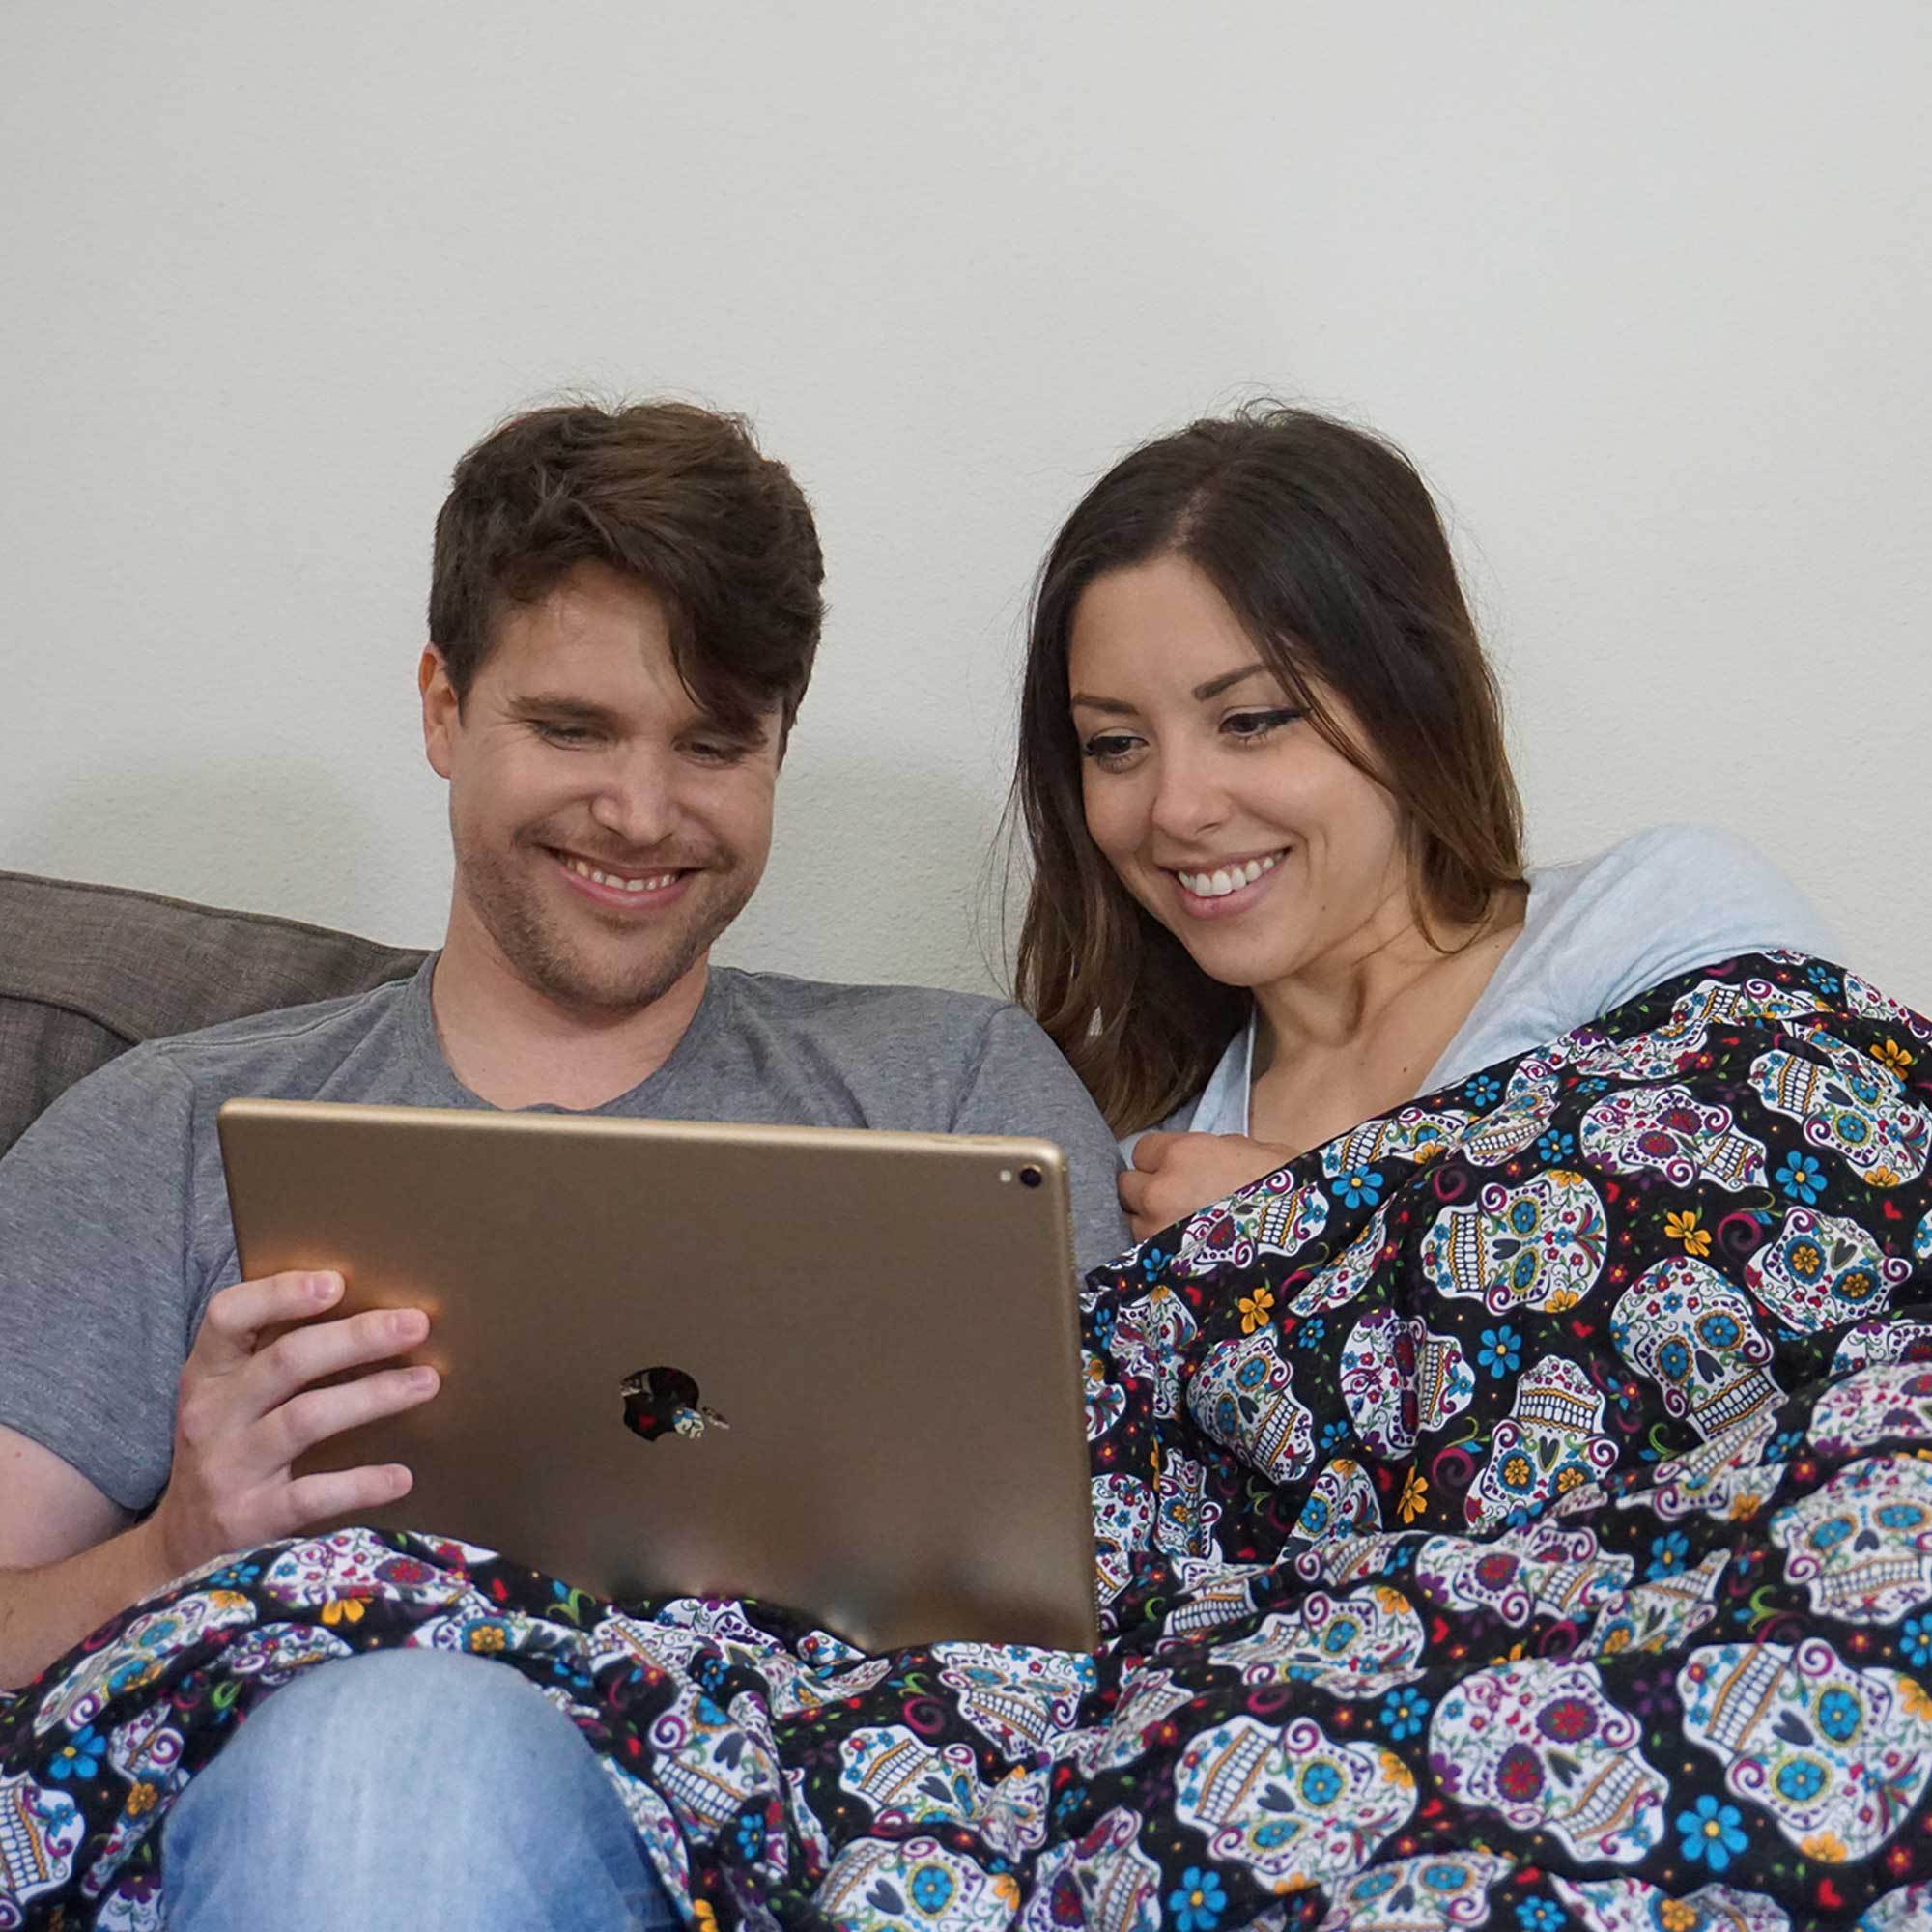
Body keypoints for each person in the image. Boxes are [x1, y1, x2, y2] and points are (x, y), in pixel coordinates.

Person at [0, 401, 1129, 1928]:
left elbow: (1138, 1577)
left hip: (841, 1843)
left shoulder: (958, 1096)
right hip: (347, 1806)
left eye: (713, 745)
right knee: (384, 1755)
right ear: (442, 709)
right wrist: (174, 1547)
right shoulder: (174, 1127)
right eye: (573, 728)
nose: (642, 815)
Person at [1009, 405, 1834, 1238]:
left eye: (1251, 721)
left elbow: (1805, 1254)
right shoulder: (1138, 1162)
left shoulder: (1655, 928)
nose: (1178, 808)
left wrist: (1304, 1226)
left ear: (1411, 702)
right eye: (1115, 744)